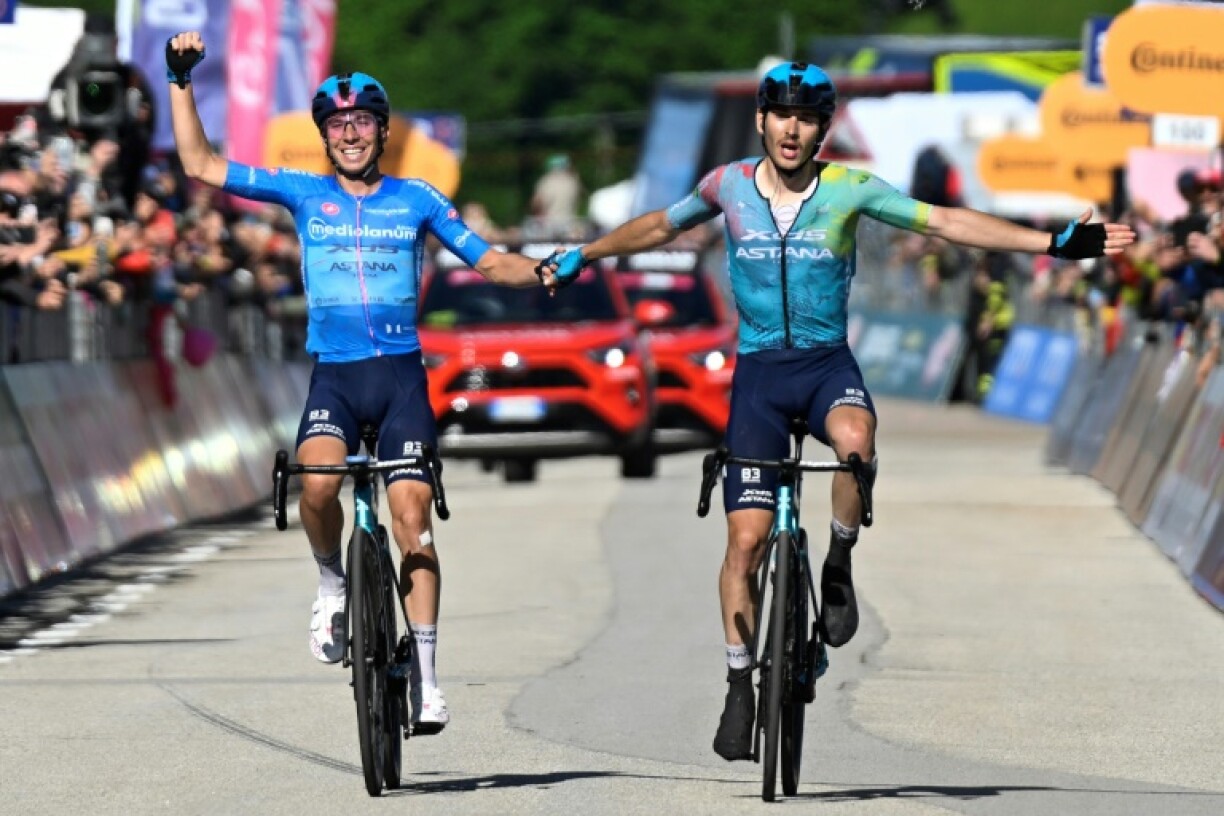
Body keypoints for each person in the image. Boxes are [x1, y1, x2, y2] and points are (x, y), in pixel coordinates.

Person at [540, 62, 1136, 762]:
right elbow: (655, 226)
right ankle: (739, 684)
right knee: (744, 544)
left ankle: (839, 562)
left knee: (856, 440)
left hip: (826, 366)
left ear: (823, 129)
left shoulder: (850, 189)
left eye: (808, 118)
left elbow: (943, 220)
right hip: (760, 376)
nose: (793, 129)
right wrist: (584, 253)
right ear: (762, 120)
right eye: (781, 115)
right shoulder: (725, 186)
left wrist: (1053, 242)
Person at [165, 32, 548, 733]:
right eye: (337, 125)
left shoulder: (418, 198)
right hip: (336, 378)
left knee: (414, 527)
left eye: (362, 122)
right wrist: (180, 81)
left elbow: (492, 262)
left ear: (382, 131)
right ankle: (331, 584)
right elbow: (198, 162)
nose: (350, 134)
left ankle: (430, 682)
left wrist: (551, 269)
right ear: (324, 136)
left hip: (402, 379)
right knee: (314, 486)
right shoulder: (303, 191)